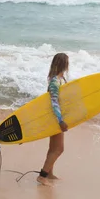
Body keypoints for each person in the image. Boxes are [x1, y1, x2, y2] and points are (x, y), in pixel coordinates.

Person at [37, 53, 69, 186]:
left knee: (53, 148)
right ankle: (42, 176)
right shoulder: (55, 81)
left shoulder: (61, 79)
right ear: (64, 64)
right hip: (55, 118)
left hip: (57, 116)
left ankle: (49, 173)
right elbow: (54, 102)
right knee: (59, 149)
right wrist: (60, 120)